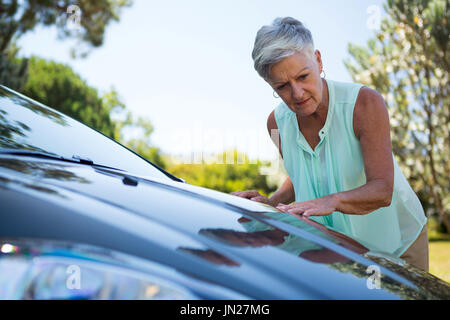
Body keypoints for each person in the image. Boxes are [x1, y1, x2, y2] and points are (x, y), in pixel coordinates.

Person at [231, 17, 429, 271]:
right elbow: (300, 174)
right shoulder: (275, 123)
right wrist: (272, 203)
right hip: (338, 249)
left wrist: (331, 201)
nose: (297, 93)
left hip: (398, 242)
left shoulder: (364, 103)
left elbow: (382, 190)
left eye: (303, 76)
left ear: (319, 60)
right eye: (282, 86)